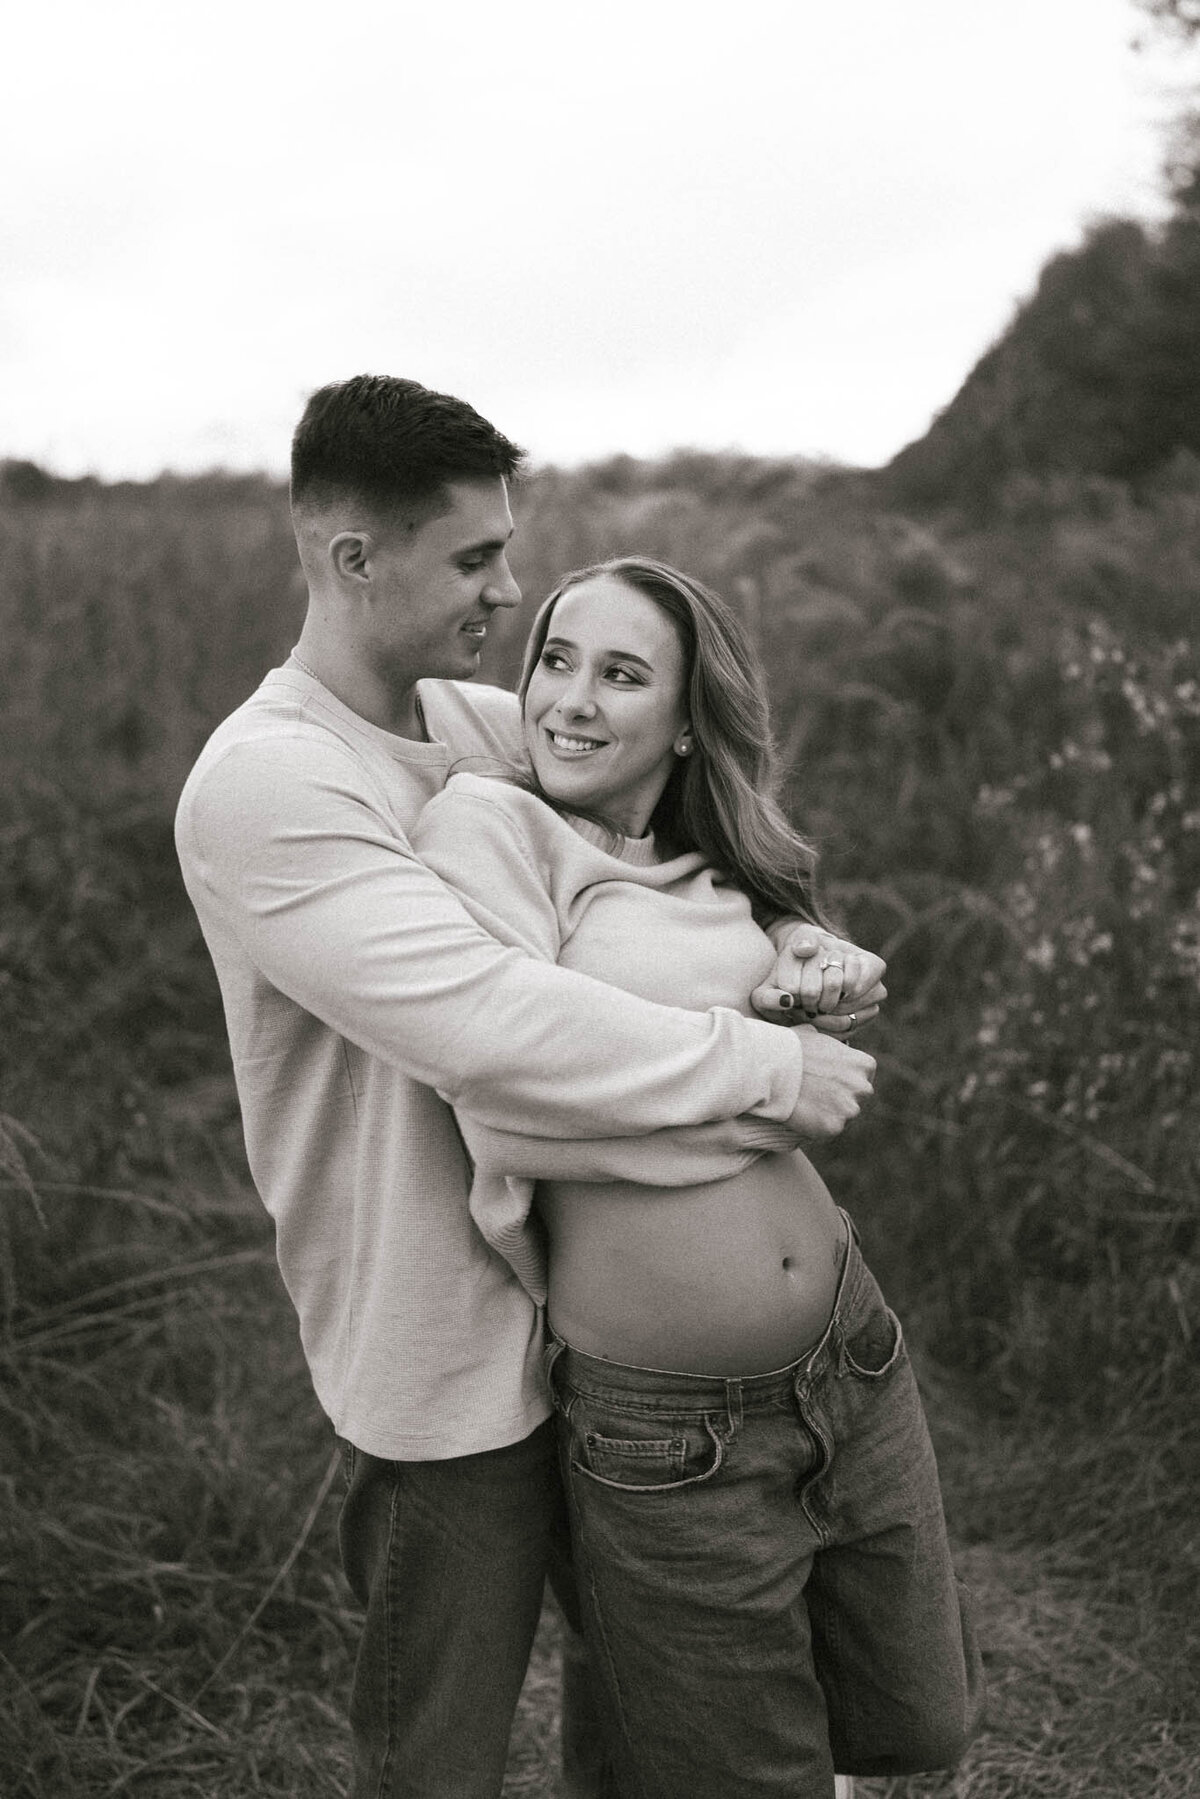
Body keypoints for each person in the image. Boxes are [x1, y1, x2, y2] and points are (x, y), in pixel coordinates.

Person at [173, 375, 882, 1799]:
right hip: (445, 1351)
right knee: (436, 1749)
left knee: (656, 1717)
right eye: (477, 558)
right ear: (354, 557)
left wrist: (789, 930)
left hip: (616, 1334)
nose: (512, 590)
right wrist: (767, 1064)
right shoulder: (268, 785)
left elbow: (657, 821)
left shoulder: (475, 722)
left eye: (510, 550)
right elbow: (495, 1021)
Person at [411, 556, 985, 1799]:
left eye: (621, 673)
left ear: (684, 720)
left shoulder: (711, 856)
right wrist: (774, 1087)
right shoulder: (491, 826)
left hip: (853, 1355)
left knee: (919, 1722)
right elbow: (508, 1105)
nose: (569, 698)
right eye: (556, 658)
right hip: (666, 1426)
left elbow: (771, 965)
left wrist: (813, 958)